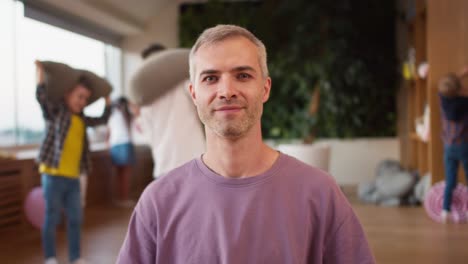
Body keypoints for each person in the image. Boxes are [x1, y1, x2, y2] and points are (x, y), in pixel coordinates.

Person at [117, 25, 375, 263]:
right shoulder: (158, 202)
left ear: (265, 88)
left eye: (242, 75)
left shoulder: (319, 193)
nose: (227, 90)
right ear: (194, 93)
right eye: (210, 78)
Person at [35, 60, 111, 264]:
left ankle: (75, 257)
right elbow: (42, 98)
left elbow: (103, 119)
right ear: (67, 94)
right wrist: (40, 74)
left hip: (74, 178)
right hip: (52, 174)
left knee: (76, 220)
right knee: (52, 218)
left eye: (85, 99)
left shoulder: (83, 120)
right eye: (79, 96)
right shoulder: (56, 113)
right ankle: (50, 257)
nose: (82, 102)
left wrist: (107, 100)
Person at [133, 44, 205, 178]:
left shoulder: (145, 101)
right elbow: (204, 103)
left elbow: (148, 138)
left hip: (164, 166)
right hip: (193, 161)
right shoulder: (184, 83)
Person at [438, 67, 468, 223]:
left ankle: (445, 210)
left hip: (448, 146)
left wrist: (459, 75)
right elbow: (452, 86)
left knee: (450, 180)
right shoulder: (464, 103)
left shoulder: (443, 100)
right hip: (463, 146)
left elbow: (446, 86)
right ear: (460, 89)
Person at [108, 96, 136, 206]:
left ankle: (121, 197)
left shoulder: (112, 115)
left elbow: (108, 133)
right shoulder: (127, 115)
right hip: (125, 144)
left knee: (119, 174)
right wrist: (130, 103)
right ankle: (124, 198)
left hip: (114, 145)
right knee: (126, 174)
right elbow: (137, 111)